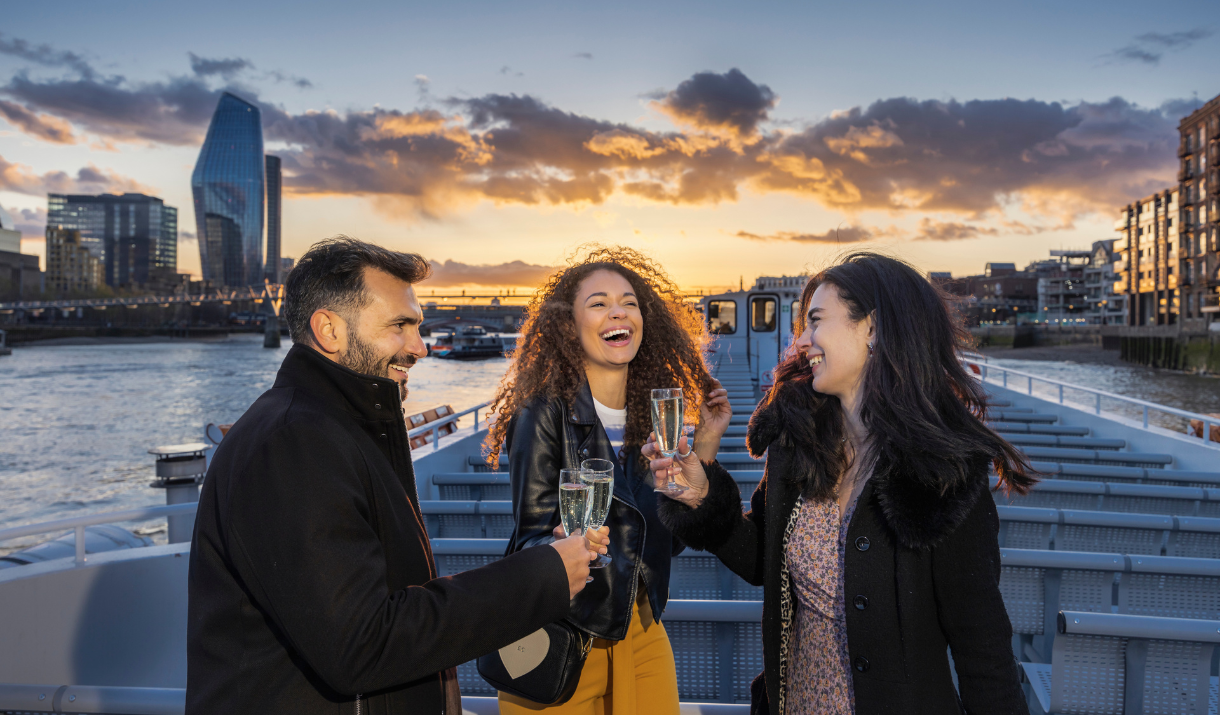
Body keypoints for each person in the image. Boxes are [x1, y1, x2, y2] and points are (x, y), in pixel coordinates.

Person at [187, 237, 598, 715]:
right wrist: (542, 577)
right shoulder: (295, 442)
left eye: (417, 326)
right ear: (329, 330)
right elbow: (361, 645)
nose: (420, 347)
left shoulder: (338, 429)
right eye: (400, 325)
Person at [646, 252, 1036, 715]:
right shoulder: (799, 444)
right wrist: (704, 497)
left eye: (816, 322)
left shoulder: (940, 474)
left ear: (871, 328)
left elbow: (983, 650)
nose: (803, 341)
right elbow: (763, 560)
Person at [484, 246, 732, 714]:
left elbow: (666, 547)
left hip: (640, 628)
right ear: (568, 327)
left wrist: (705, 449)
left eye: (630, 302)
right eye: (598, 303)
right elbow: (530, 539)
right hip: (565, 633)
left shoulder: (651, 422)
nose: (618, 310)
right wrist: (563, 545)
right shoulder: (542, 413)